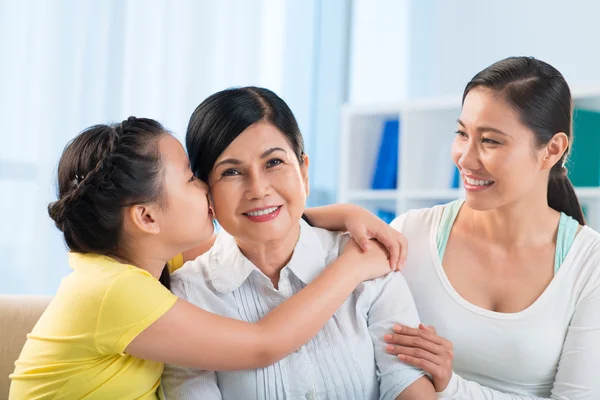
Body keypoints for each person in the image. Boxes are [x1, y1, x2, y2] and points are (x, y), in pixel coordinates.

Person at [9, 117, 411, 400]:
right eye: (189, 177)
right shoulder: (115, 291)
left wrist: (340, 215)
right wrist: (356, 264)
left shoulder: (147, 262)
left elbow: (261, 228)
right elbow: (263, 345)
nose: (205, 187)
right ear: (147, 217)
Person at [161, 87, 437, 400]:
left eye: (273, 163)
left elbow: (406, 384)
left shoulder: (370, 260)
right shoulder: (187, 296)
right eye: (232, 171)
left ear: (303, 172)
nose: (258, 189)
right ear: (206, 192)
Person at [384, 56, 600, 399]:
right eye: (462, 133)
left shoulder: (590, 265)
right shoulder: (411, 234)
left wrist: (451, 386)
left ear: (552, 150)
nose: (465, 159)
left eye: (490, 141)